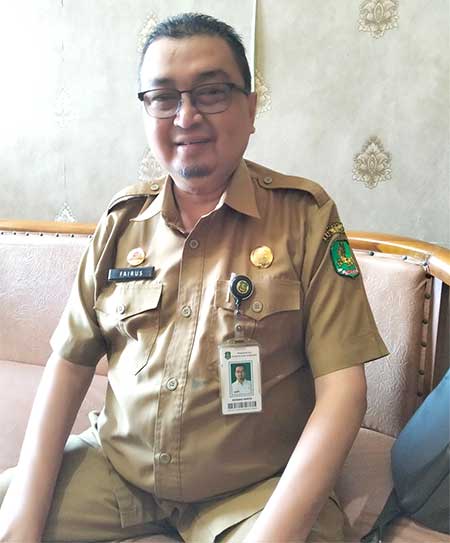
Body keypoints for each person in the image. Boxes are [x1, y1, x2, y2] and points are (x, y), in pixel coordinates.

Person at [0, 12, 388, 543]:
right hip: (118, 472)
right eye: (163, 97)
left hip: (253, 492)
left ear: (250, 109)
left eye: (211, 92)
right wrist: (22, 518)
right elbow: (68, 366)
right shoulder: (121, 223)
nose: (186, 116)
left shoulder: (306, 217)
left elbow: (343, 392)